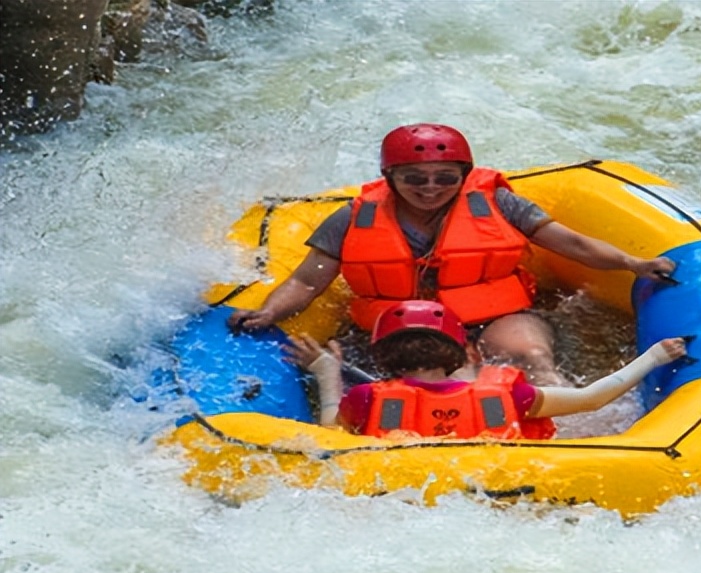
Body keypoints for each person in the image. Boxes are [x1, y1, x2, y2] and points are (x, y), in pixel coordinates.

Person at [230, 123, 675, 385]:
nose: (430, 188)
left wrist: (633, 264)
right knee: (407, 379)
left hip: (496, 314)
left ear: (464, 174)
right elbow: (308, 280)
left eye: (444, 177)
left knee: (531, 356)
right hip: (402, 321)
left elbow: (571, 243)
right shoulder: (354, 217)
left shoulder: (501, 203)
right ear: (390, 176)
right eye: (414, 178)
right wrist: (269, 312)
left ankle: (560, 429)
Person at [285, 300, 687, 440]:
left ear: (381, 359)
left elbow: (329, 441)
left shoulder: (367, 398)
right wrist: (653, 356)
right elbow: (592, 398)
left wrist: (326, 373)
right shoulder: (511, 395)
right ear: (463, 353)